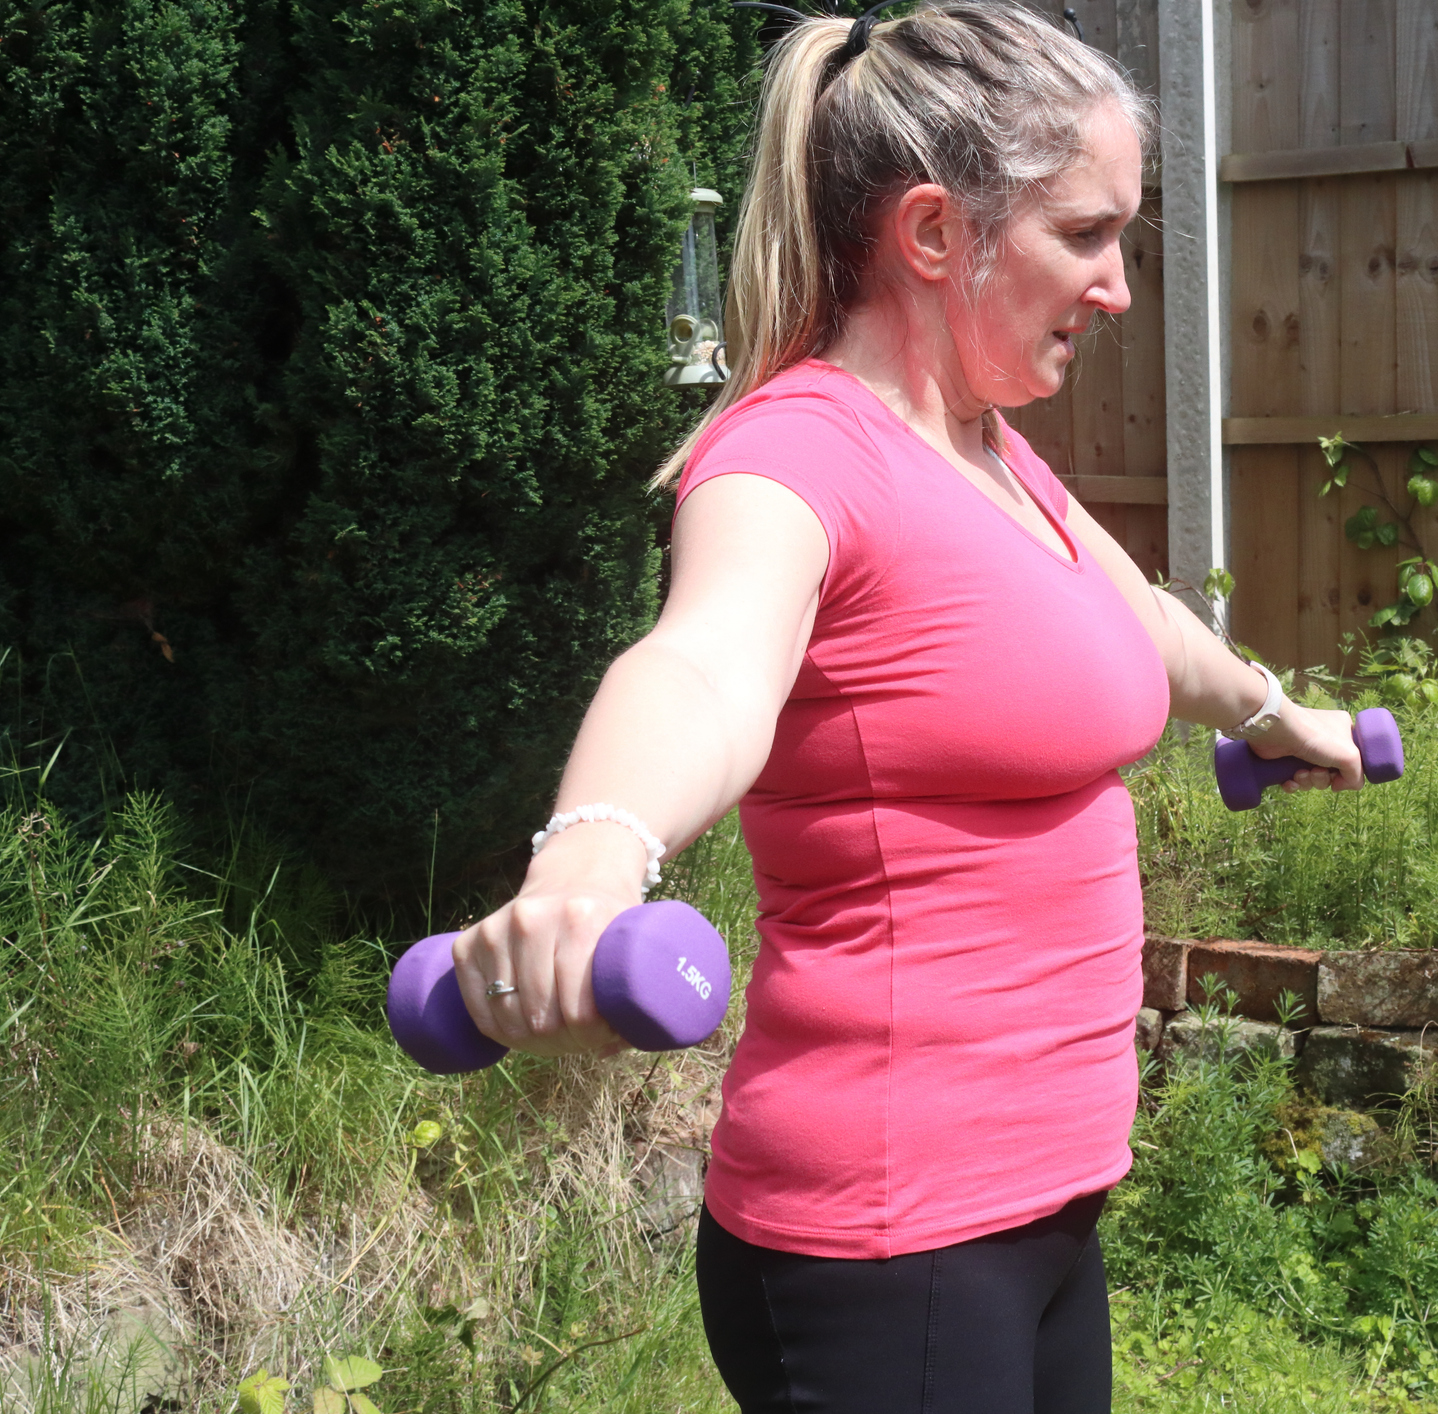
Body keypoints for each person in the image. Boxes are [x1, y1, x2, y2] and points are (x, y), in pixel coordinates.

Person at [446, 3, 1366, 1409]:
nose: (1118, 285)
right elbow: (700, 661)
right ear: (935, 235)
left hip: (1040, 1200)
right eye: (1085, 233)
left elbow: (1151, 632)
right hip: (892, 1231)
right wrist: (588, 860)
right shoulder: (795, 454)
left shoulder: (991, 458)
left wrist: (1270, 713)